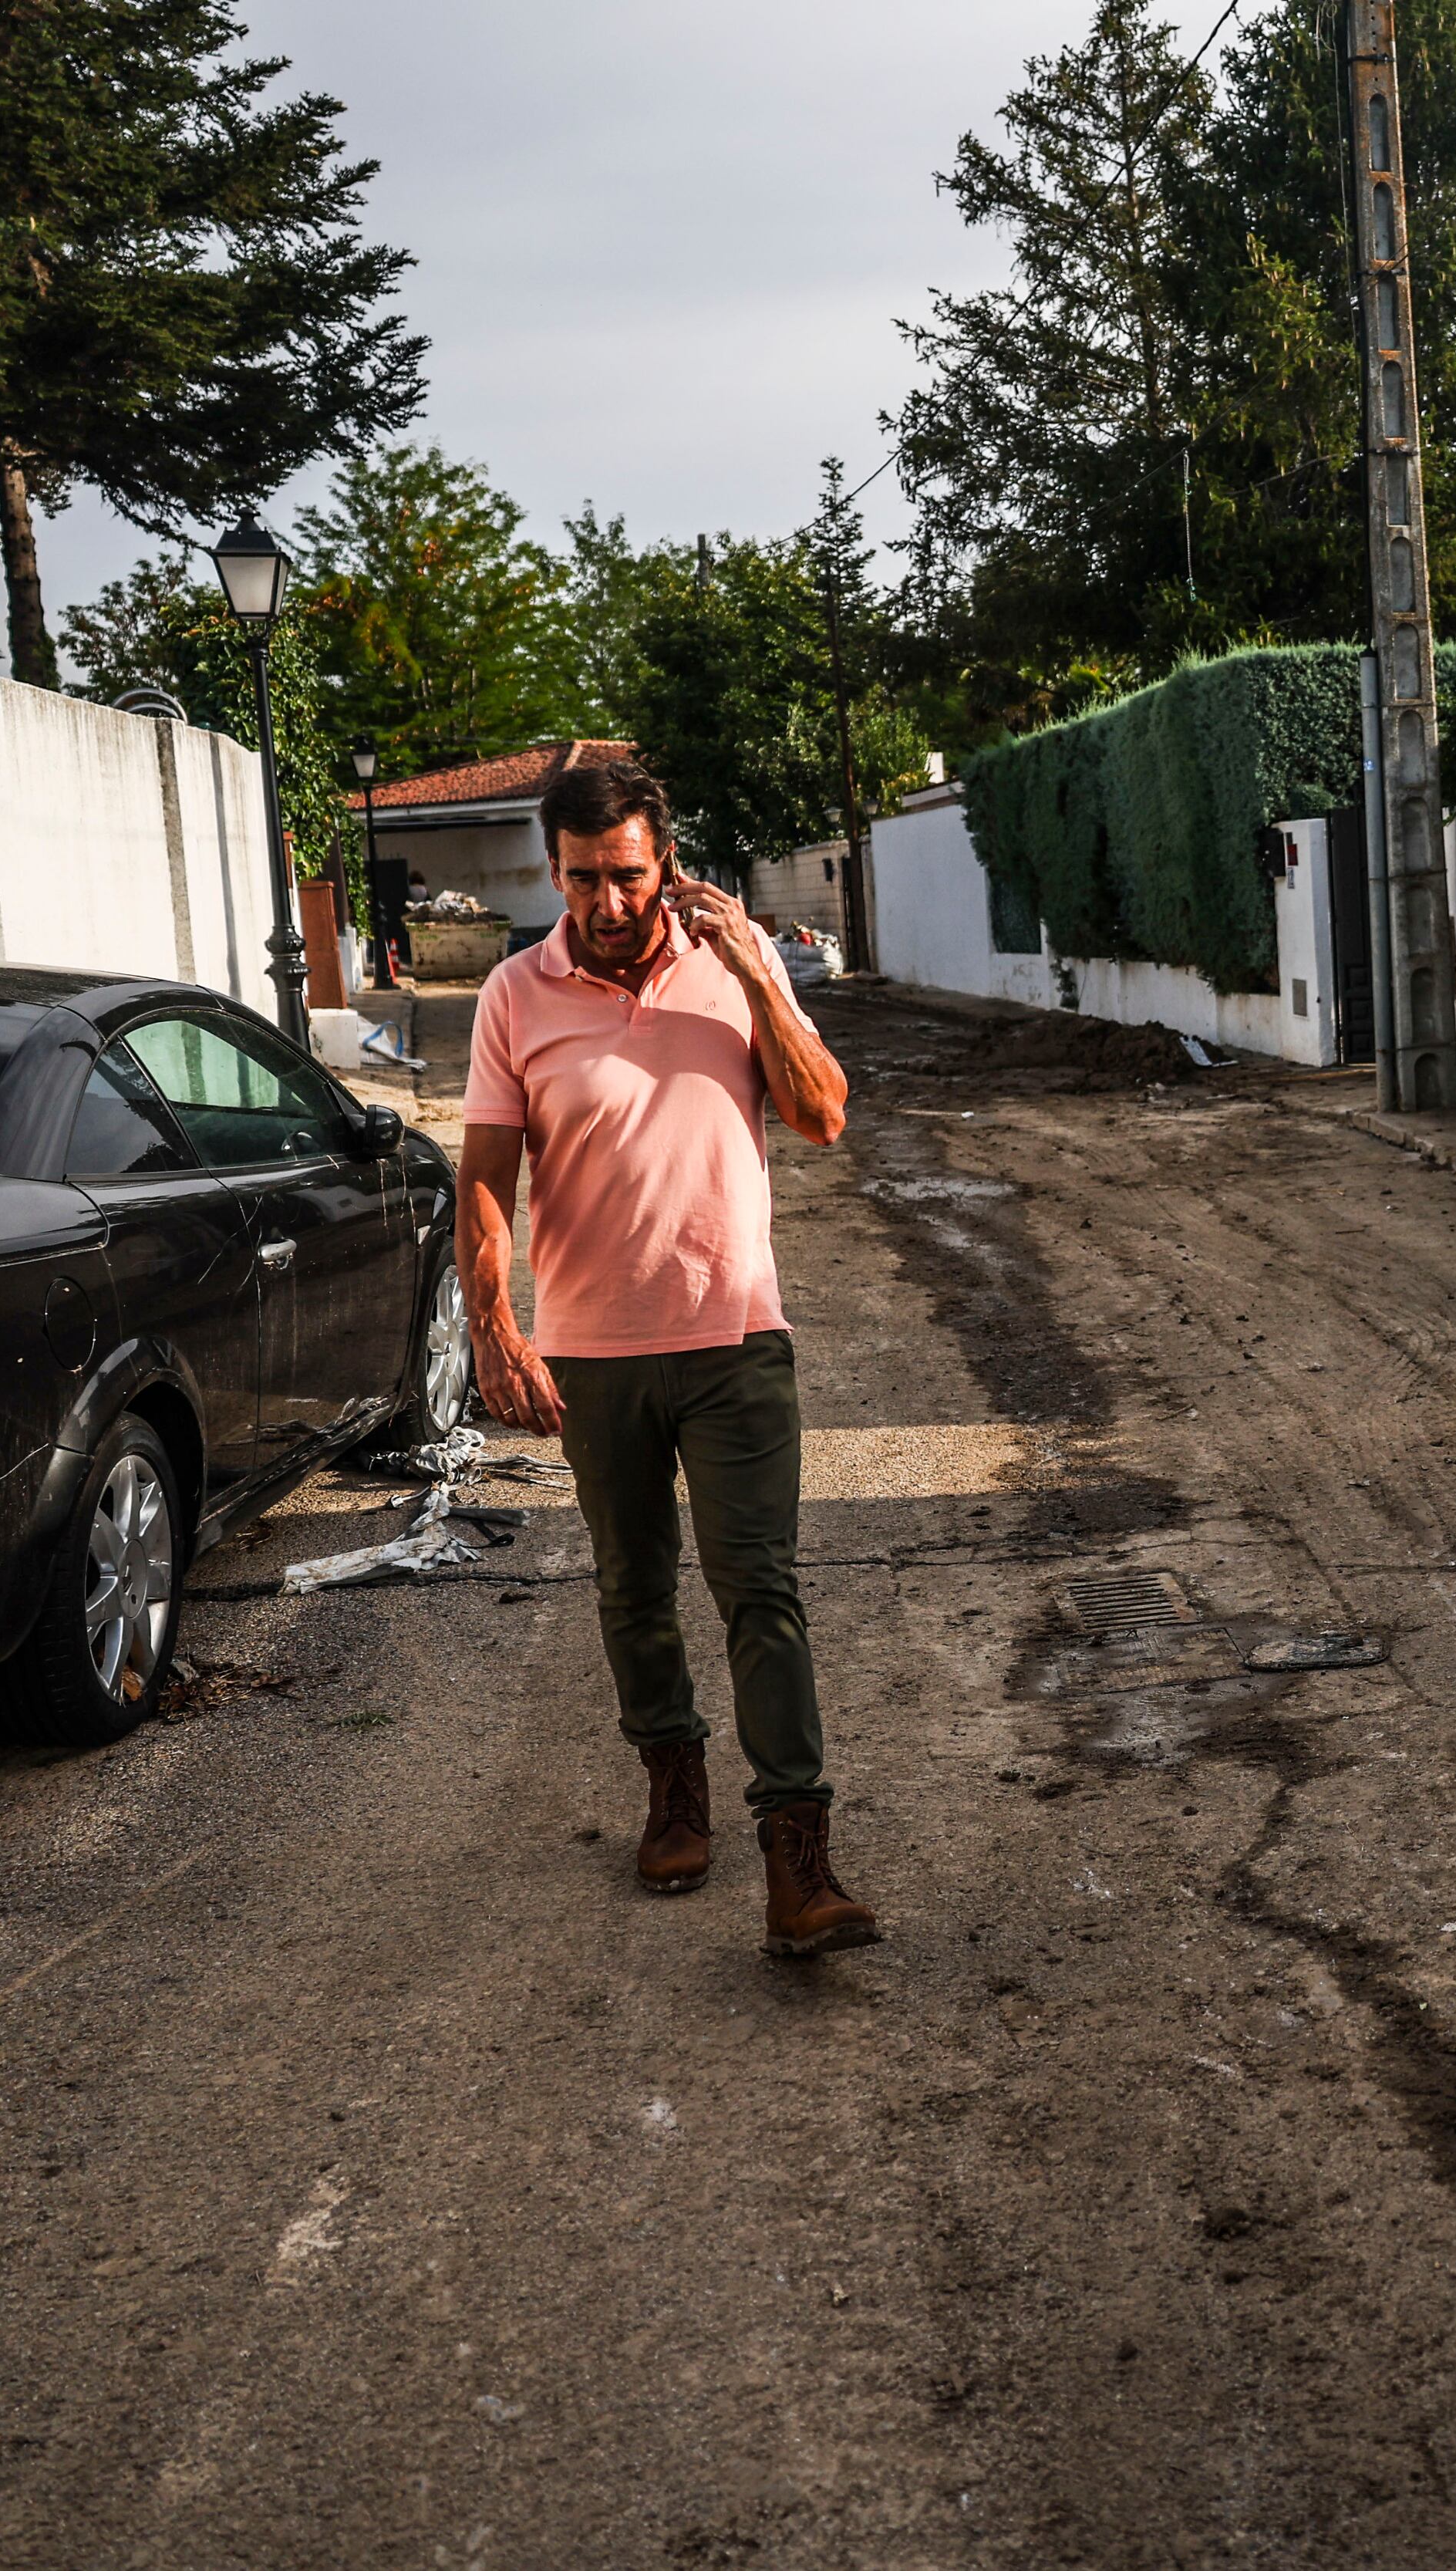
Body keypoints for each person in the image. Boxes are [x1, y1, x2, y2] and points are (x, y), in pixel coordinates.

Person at [456, 755, 878, 1957]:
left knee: (762, 1590)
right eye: (583, 878)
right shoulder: (513, 995)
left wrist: (755, 970)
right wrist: (495, 1322)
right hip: (594, 1353)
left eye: (628, 876)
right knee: (633, 1587)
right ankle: (673, 1785)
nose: (607, 901)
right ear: (555, 871)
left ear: (667, 864)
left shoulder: (730, 972)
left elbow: (824, 1113)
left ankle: (799, 1857)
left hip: (737, 1334)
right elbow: (486, 1176)